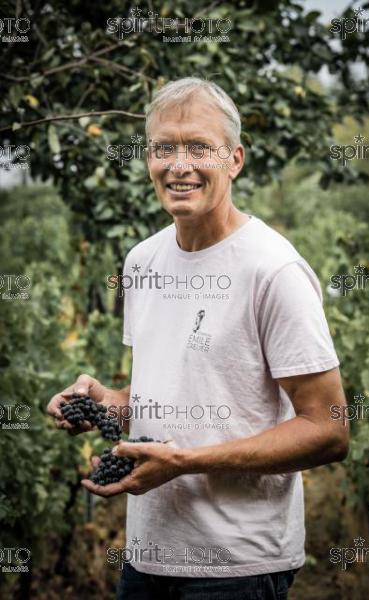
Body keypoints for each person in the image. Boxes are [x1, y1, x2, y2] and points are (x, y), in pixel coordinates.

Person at [48, 77, 349, 600]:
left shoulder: (273, 270)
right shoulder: (142, 261)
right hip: (147, 557)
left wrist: (185, 463)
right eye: (164, 147)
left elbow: (328, 430)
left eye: (198, 147)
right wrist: (107, 404)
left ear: (234, 159)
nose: (178, 164)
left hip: (238, 566)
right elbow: (172, 397)